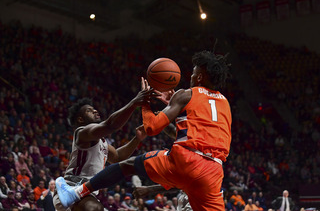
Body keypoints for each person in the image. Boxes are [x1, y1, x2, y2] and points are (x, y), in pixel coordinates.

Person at [56, 48, 232, 211]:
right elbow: (193, 128)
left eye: (194, 74)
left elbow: (152, 127)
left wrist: (145, 104)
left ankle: (75, 193)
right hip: (214, 171)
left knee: (128, 165)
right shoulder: (225, 104)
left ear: (200, 77)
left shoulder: (186, 94)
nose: (191, 77)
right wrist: (175, 106)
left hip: (186, 161)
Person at [54, 80, 154, 211]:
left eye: (94, 109)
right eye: (90, 111)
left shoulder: (101, 141)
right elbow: (110, 125)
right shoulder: (82, 132)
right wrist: (134, 102)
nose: (95, 111)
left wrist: (137, 139)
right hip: (71, 188)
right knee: (94, 208)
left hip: (87, 193)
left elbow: (117, 156)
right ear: (80, 119)